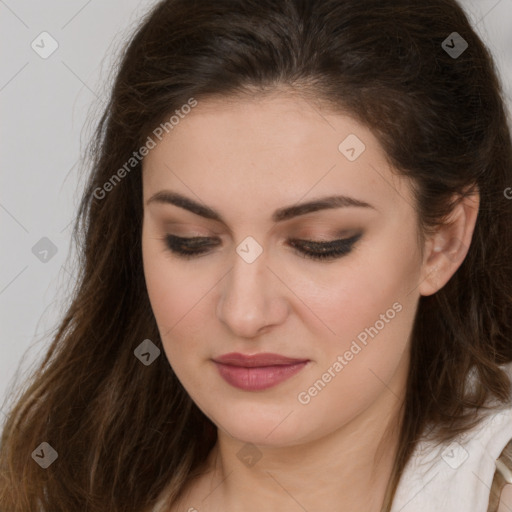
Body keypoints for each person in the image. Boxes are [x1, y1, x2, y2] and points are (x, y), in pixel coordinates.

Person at [1, 0, 512, 511]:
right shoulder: (46, 490)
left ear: (442, 242)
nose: (243, 313)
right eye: (189, 240)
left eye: (320, 244)